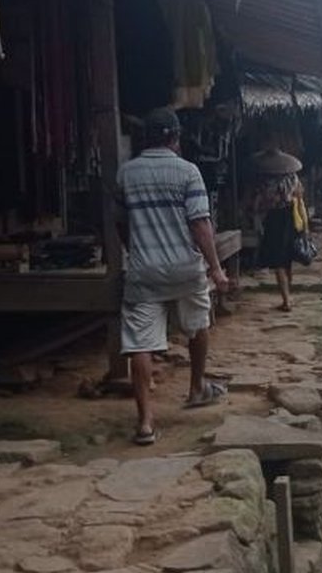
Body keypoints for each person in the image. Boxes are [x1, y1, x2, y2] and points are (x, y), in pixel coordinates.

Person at [116, 107, 229, 446]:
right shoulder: (188, 172)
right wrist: (216, 268)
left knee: (140, 344)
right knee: (198, 324)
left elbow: (121, 223)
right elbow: (199, 224)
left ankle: (146, 422)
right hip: (185, 268)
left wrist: (135, 249)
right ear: (175, 137)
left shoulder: (126, 174)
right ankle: (196, 388)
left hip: (144, 271)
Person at [253, 146, 305, 312]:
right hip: (290, 218)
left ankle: (286, 300)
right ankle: (287, 295)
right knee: (287, 259)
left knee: (278, 263)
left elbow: (259, 203)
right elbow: (300, 197)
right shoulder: (293, 178)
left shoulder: (265, 182)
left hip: (274, 220)